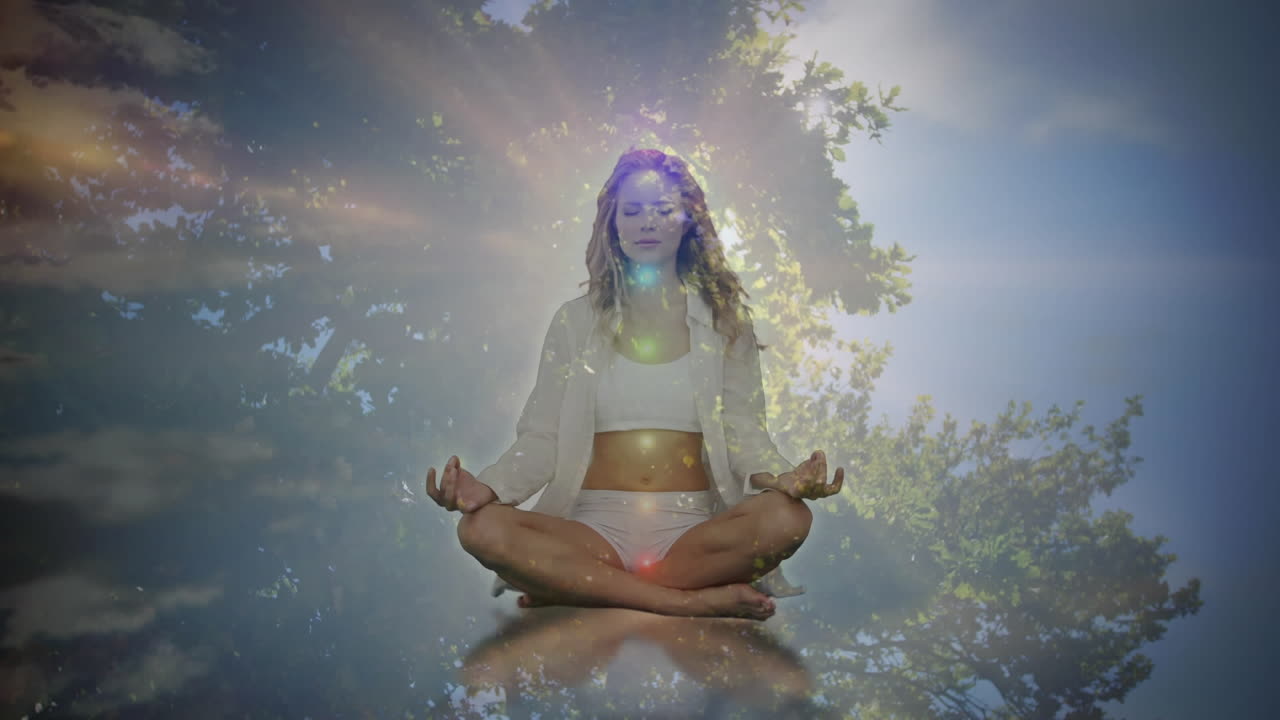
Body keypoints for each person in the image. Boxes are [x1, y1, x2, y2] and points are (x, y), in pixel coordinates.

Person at [425, 149, 844, 620]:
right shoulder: (573, 322)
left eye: (664, 210)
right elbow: (543, 436)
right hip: (591, 528)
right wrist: (490, 488)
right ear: (613, 225)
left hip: (691, 532)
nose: (648, 221)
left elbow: (742, 432)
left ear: (687, 221)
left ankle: (579, 587)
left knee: (789, 518)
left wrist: (785, 478)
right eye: (633, 210)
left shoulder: (727, 325)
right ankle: (685, 600)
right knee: (480, 530)